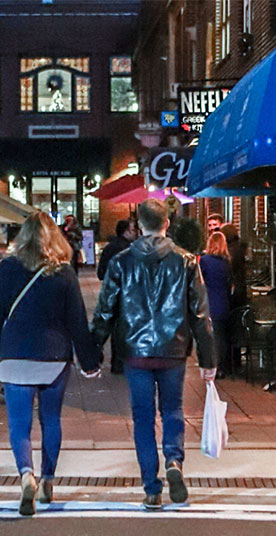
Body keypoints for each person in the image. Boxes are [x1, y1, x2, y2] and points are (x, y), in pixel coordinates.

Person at [91, 199, 217, 510]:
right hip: (173, 350)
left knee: (143, 418)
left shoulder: (121, 262)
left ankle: (151, 487)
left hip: (135, 352)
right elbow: (201, 314)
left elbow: (105, 310)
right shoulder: (186, 261)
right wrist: (208, 358)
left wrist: (93, 350)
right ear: (167, 224)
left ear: (138, 226)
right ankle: (174, 461)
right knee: (173, 411)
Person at [0, 212, 101, 516]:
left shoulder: (6, 268)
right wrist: (89, 360)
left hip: (15, 354)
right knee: (51, 420)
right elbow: (77, 322)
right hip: (53, 356)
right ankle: (47, 479)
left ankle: (25, 475)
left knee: (19, 425)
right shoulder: (63, 273)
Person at [97, 218, 139, 374]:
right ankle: (124, 361)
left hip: (113, 294)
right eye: (134, 230)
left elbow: (101, 273)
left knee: (115, 328)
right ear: (126, 231)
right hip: (130, 296)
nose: (136, 233)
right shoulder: (131, 252)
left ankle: (117, 362)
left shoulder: (109, 248)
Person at [199, 232, 233, 377]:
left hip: (210, 302)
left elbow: (200, 282)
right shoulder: (226, 262)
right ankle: (222, 367)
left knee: (212, 337)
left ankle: (213, 366)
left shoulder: (205, 261)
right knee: (222, 337)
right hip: (224, 303)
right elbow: (229, 284)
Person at [220, 224, 249, 309]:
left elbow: (230, 268)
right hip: (240, 287)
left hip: (234, 290)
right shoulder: (238, 247)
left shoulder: (231, 251)